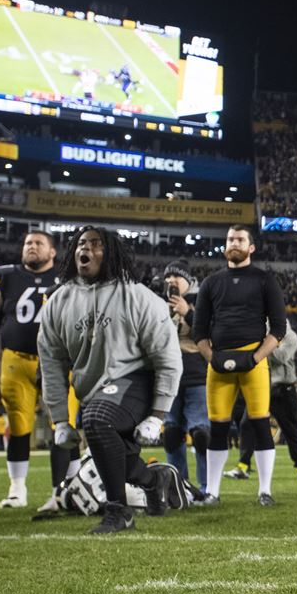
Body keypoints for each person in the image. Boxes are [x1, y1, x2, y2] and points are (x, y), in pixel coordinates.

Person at [37, 227, 183, 534]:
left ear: (111, 253)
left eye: (95, 244)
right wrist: (60, 421)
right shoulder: (59, 302)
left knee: (96, 419)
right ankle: (154, 480)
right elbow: (50, 364)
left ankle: (119, 510)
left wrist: (157, 415)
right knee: (110, 446)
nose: (84, 249)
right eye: (80, 243)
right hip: (94, 389)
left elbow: (167, 357)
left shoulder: (138, 297)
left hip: (138, 381)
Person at [192, 224, 287, 507]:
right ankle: (213, 492)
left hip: (253, 361)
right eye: (230, 238)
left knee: (260, 424)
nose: (234, 243)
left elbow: (278, 329)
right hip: (218, 362)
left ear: (251, 247)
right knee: (217, 427)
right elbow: (198, 332)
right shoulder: (211, 282)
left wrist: (254, 358)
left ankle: (265, 491)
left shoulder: (264, 280)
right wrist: (213, 358)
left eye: (240, 239)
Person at [0, 231, 79, 511]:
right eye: (27, 242)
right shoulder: (6, 277)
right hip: (16, 361)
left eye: (38, 243)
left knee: (64, 426)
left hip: (58, 361)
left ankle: (70, 490)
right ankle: (17, 490)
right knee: (18, 425)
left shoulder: (67, 280)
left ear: (52, 252)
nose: (31, 247)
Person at [228, 321, 297, 480]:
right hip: (264, 385)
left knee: (290, 428)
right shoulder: (263, 334)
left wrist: (265, 343)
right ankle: (243, 466)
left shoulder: (290, 336)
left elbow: (281, 357)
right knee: (247, 423)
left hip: (284, 388)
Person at [160, 260, 210, 492]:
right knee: (171, 433)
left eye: (175, 279)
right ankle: (178, 487)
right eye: (167, 280)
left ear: (188, 282)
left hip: (196, 372)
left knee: (201, 433)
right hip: (168, 373)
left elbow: (212, 333)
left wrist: (188, 313)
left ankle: (207, 486)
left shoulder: (204, 300)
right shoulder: (159, 304)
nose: (171, 283)